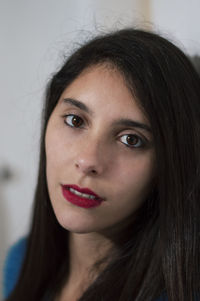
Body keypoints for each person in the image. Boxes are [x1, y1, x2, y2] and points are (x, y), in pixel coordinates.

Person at [3, 28, 200, 301]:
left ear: (169, 163)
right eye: (75, 120)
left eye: (131, 139)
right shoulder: (20, 260)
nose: (87, 161)